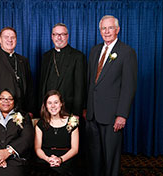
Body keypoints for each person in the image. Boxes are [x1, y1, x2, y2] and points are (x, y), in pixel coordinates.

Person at [86, 15, 138, 176]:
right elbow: (90, 83)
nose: (106, 31)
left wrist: (122, 115)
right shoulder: (95, 50)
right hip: (92, 113)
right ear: (100, 31)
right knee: (94, 157)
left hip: (112, 115)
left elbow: (129, 86)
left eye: (110, 28)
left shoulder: (126, 52)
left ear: (117, 30)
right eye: (103, 28)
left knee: (111, 157)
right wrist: (86, 108)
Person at [0, 27, 35, 114]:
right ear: (0, 40)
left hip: (21, 112)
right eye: (6, 37)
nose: (10, 40)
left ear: (16, 40)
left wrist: (30, 110)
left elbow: (29, 88)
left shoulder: (23, 60)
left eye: (13, 37)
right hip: (0, 113)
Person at [39, 23, 87, 118]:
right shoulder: (46, 56)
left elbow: (80, 87)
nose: (59, 37)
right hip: (48, 110)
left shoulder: (77, 56)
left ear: (67, 36)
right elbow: (41, 85)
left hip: (68, 110)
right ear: (52, 37)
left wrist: (76, 113)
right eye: (56, 34)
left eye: (62, 34)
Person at [35, 90, 79, 176]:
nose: (53, 106)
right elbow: (37, 148)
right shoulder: (41, 124)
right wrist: (48, 159)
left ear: (61, 103)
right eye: (49, 103)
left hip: (66, 159)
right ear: (46, 105)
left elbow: (75, 149)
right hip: (45, 160)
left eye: (56, 102)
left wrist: (60, 159)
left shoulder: (72, 121)